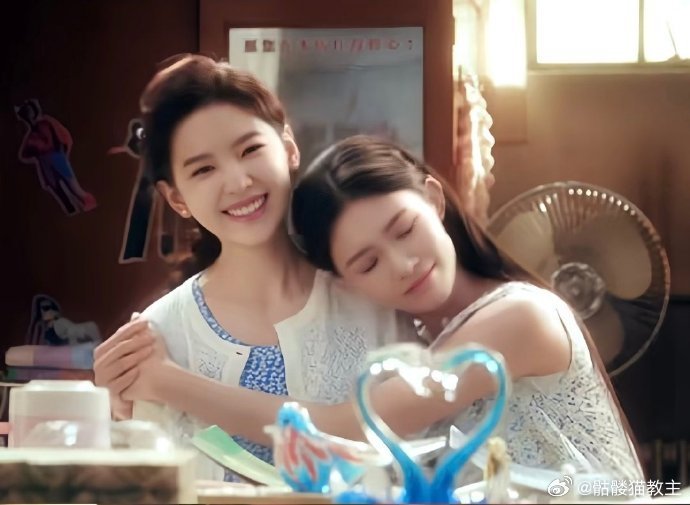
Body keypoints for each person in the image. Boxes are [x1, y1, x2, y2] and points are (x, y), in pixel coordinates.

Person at [107, 134, 644, 482]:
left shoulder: (520, 318)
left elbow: (347, 427)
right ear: (345, 283)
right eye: (367, 263)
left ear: (433, 200)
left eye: (404, 229)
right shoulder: (404, 340)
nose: (403, 265)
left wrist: (166, 382)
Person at [92, 57, 417, 478]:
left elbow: (421, 461)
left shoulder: (373, 302)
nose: (238, 182)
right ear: (177, 199)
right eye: (204, 169)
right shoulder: (158, 337)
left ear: (288, 147)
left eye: (250, 150)